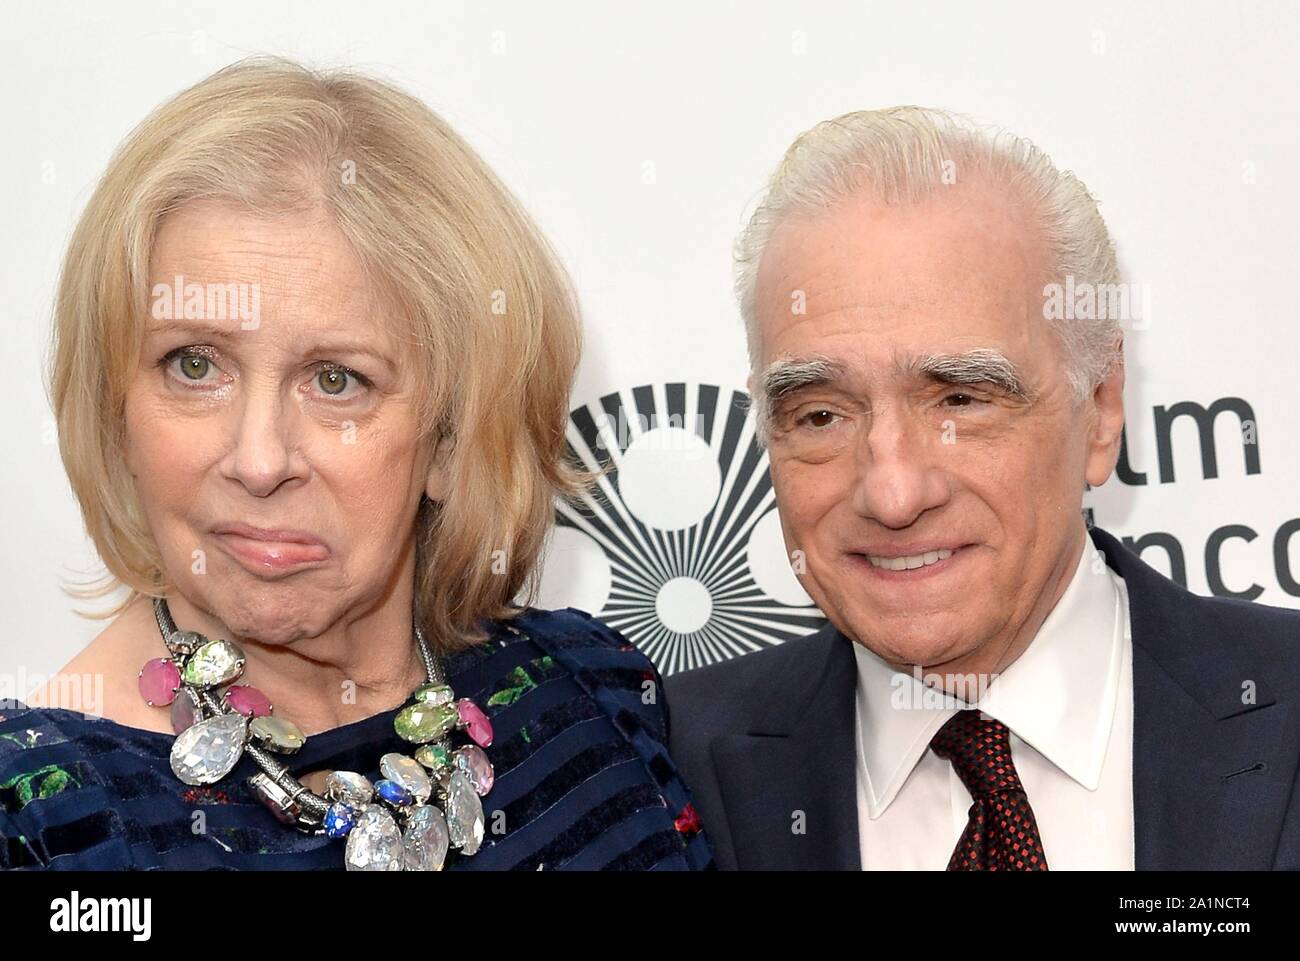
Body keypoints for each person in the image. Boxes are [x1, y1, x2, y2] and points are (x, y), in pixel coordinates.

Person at [2, 57, 711, 871]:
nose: (260, 459)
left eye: (337, 380)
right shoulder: (43, 824)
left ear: (449, 440)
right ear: (117, 413)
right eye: (195, 365)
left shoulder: (596, 695)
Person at [664, 106, 1300, 870]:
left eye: (961, 399)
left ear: (1099, 406)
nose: (893, 494)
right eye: (822, 413)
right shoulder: (658, 772)